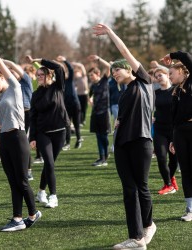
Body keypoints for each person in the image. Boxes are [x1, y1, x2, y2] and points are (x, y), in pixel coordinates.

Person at [93, 23, 156, 249]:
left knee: (142, 187)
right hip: (121, 144)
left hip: (141, 141)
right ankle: (137, 238)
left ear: (129, 69)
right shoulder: (125, 93)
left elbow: (125, 52)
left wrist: (110, 33)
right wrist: (119, 124)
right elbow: (123, 117)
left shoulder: (144, 82)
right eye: (112, 72)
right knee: (129, 190)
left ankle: (148, 225)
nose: (114, 73)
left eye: (117, 69)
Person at [0, 44, 41, 231]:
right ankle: (17, 219)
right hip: (5, 141)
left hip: (18, 137)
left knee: (21, 180)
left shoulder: (14, 87)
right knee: (12, 182)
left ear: (3, 78)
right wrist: (1, 134)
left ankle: (33, 213)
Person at [25, 55, 70, 208]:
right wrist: (32, 137)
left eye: (41, 74)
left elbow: (59, 67)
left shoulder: (57, 87)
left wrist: (40, 61)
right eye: (37, 75)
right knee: (49, 163)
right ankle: (53, 196)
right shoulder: (35, 94)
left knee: (50, 165)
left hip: (60, 131)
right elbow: (33, 116)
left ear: (49, 75)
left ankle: (41, 192)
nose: (39, 77)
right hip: (43, 133)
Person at [160, 51, 192, 222]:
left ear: (181, 71)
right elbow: (173, 119)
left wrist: (172, 55)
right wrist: (173, 138)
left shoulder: (191, 82)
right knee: (185, 171)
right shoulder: (174, 92)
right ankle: (190, 209)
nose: (169, 77)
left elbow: (187, 56)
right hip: (180, 133)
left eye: (170, 73)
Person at [153, 67, 179, 195]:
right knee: (161, 157)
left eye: (160, 75)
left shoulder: (176, 90)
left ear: (168, 75)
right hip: (159, 129)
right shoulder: (156, 93)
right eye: (156, 76)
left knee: (174, 160)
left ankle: (171, 178)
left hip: (174, 130)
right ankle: (168, 184)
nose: (158, 78)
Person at [87, 54, 111, 167]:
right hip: (95, 112)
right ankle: (102, 157)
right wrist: (90, 100)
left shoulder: (105, 80)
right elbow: (90, 96)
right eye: (89, 76)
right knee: (98, 136)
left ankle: (105, 156)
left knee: (104, 136)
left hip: (104, 112)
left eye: (92, 75)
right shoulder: (93, 86)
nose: (90, 77)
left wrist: (98, 59)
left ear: (98, 74)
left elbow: (109, 66)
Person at [56, 55, 82, 150]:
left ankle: (79, 140)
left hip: (75, 105)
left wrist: (65, 61)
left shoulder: (69, 80)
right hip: (66, 106)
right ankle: (67, 143)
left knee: (76, 124)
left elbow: (70, 69)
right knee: (67, 124)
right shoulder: (60, 83)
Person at [72, 61, 89, 127]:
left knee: (84, 109)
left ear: (80, 73)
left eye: (77, 72)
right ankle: (79, 121)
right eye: (75, 73)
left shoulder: (84, 77)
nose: (76, 74)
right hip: (78, 95)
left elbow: (82, 67)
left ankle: (83, 120)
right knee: (79, 109)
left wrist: (76, 64)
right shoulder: (74, 80)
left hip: (84, 95)